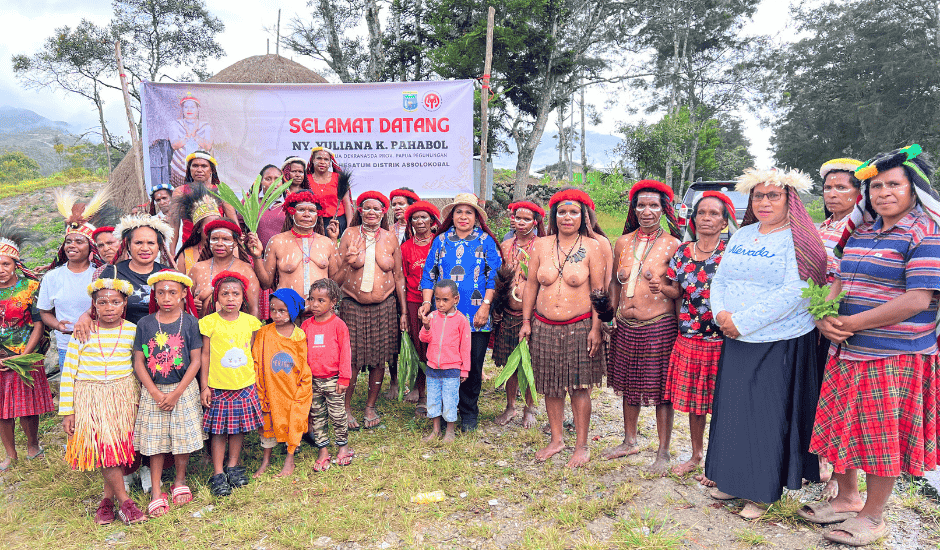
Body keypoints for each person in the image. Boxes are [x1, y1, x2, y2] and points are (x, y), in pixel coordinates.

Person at [804, 145, 940, 546]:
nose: (884, 193)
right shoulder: (862, 230)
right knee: (842, 424)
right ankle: (847, 498)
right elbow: (839, 279)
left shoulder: (926, 232)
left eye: (894, 185)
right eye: (877, 186)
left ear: (914, 189)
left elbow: (918, 299)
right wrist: (823, 315)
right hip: (847, 348)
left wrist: (852, 323)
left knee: (882, 435)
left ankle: (873, 515)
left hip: (894, 354)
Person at [705, 167, 827, 520]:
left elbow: (797, 290)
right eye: (758, 195)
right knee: (733, 411)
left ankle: (759, 493)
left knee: (765, 417)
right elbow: (720, 279)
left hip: (778, 340)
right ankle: (730, 479)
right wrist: (721, 314)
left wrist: (743, 321)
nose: (764, 202)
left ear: (791, 200)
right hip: (736, 338)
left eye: (773, 195)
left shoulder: (799, 239)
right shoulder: (743, 235)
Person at [518, 189, 606, 467]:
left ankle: (582, 445)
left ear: (584, 216)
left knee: (579, 387)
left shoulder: (592, 247)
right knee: (551, 386)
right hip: (543, 326)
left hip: (580, 326)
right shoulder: (541, 245)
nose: (567, 217)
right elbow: (531, 286)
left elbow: (599, 292)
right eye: (562, 212)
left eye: (574, 212)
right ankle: (557, 439)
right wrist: (526, 322)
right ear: (554, 216)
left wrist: (596, 328)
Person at [603, 179, 682, 474]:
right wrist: (609, 315)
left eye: (653, 205)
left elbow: (679, 291)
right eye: (641, 205)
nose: (646, 211)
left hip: (659, 325)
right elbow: (615, 283)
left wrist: (663, 289)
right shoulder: (623, 242)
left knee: (662, 389)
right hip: (625, 324)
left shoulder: (674, 244)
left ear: (663, 210)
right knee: (627, 384)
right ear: (633, 209)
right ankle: (629, 441)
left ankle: (663, 452)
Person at [60, 278, 147, 525]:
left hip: (123, 397)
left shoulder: (132, 330)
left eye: (115, 302)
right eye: (102, 302)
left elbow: (139, 365)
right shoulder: (83, 331)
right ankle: (125, 503)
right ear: (94, 305)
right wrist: (68, 411)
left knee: (116, 449)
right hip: (91, 397)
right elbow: (69, 372)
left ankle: (106, 501)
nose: (109, 307)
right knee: (105, 449)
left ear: (125, 303)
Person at [659, 192, 733, 477]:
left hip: (724, 339)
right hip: (690, 337)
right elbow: (676, 291)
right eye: (701, 213)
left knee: (723, 403)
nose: (706, 218)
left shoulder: (731, 252)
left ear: (724, 222)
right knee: (696, 403)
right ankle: (696, 455)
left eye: (714, 214)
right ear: (693, 219)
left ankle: (719, 461)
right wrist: (660, 287)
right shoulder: (683, 252)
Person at [420, 193, 503, 432]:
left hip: (476, 314)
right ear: (452, 215)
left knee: (472, 364)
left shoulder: (485, 241)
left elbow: (494, 277)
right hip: (444, 316)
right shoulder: (441, 241)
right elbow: (429, 274)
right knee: (446, 362)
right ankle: (446, 411)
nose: (463, 216)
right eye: (459, 212)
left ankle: (468, 413)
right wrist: (427, 303)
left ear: (476, 217)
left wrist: (485, 306)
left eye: (469, 212)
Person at [813, 157, 864, 500]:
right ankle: (818, 460)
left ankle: (838, 474)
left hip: (844, 321)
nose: (832, 193)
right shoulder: (820, 228)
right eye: (828, 187)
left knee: (841, 399)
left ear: (859, 193)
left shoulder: (862, 229)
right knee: (817, 392)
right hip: (814, 318)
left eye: (841, 187)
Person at [132, 270, 203, 517]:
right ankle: (156, 490)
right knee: (155, 441)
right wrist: (153, 392)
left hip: (183, 389)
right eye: (161, 292)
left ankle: (180, 480)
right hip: (154, 391)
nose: (167, 297)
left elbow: (196, 361)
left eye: (173, 292)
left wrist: (176, 393)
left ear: (183, 294)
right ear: (154, 294)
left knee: (182, 437)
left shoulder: (191, 322)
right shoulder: (145, 324)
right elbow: (139, 361)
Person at [333, 191, 407, 430]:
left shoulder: (390, 238)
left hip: (384, 305)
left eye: (377, 208)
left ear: (383, 212)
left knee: (379, 359)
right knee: (351, 360)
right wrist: (348, 260)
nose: (372, 212)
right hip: (352, 305)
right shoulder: (349, 234)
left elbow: (398, 277)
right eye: (367, 208)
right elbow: (337, 278)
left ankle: (370, 407)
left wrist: (404, 312)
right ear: (360, 211)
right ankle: (346, 408)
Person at [199, 271, 263, 496]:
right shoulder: (209, 322)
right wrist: (204, 386)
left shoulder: (250, 322)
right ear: (217, 297)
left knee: (238, 428)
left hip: (244, 384)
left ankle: (233, 466)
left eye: (236, 294)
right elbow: (205, 355)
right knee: (218, 431)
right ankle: (218, 472)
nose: (230, 298)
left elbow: (251, 350)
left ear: (243, 297)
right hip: (218, 385)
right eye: (225, 294)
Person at [39, 189, 109, 375]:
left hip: (100, 345)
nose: (72, 245)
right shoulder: (52, 277)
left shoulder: (101, 275)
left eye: (79, 241)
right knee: (71, 391)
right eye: (68, 241)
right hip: (67, 347)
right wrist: (57, 325)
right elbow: (45, 311)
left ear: (91, 247)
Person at [0, 220, 51, 470]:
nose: (1, 270)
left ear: (15, 265)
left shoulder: (30, 287)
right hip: (0, 359)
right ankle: (10, 454)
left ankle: (33, 445)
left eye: (5, 264)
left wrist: (24, 356)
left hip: (26, 355)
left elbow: (39, 325)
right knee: (2, 409)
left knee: (28, 406)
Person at [493, 200, 545, 428]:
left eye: (527, 219)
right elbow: (499, 278)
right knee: (510, 362)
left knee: (530, 363)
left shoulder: (543, 246)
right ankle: (510, 406)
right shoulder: (506, 246)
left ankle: (530, 407)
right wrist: (497, 307)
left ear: (535, 222)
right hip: (508, 311)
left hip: (534, 314)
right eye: (517, 218)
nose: (521, 222)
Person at [252, 287, 312, 478]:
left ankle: (289, 458)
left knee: (293, 420)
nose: (276, 315)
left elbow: (302, 364)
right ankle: (266, 460)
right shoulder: (264, 333)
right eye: (273, 310)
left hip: (292, 390)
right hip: (270, 389)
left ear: (292, 311)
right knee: (267, 422)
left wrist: (301, 388)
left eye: (282, 311)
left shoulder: (298, 336)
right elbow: (257, 360)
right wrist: (259, 387)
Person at [301, 278, 354, 470]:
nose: (314, 304)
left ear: (333, 302)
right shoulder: (306, 326)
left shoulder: (339, 325)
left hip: (334, 380)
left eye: (320, 300)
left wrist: (344, 378)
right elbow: (301, 353)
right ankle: (322, 450)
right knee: (317, 416)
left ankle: (343, 447)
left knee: (338, 415)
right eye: (312, 299)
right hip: (312, 381)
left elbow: (345, 352)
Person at [247, 190, 340, 300]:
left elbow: (336, 282)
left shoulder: (327, 243)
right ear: (291, 213)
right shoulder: (277, 242)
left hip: (319, 308)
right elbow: (266, 284)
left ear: (317, 214)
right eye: (301, 210)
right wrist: (257, 257)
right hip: (286, 307)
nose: (306, 215)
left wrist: (347, 262)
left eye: (311, 211)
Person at [400, 201, 441, 412]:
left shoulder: (440, 242)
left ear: (432, 220)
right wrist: (404, 312)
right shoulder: (405, 248)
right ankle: (423, 394)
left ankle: (440, 391)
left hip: (440, 303)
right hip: (415, 301)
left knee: (439, 345)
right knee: (420, 346)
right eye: (415, 218)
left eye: (424, 217)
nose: (419, 221)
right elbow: (402, 278)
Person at [420, 279, 471, 443]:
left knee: (450, 400)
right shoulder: (432, 317)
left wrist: (464, 370)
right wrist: (426, 327)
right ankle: (436, 430)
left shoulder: (461, 320)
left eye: (445, 300)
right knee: (433, 399)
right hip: (433, 368)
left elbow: (465, 348)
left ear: (456, 299)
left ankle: (450, 430)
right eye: (437, 299)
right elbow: (423, 338)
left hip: (452, 369)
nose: (440, 304)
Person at [188, 219, 260, 318]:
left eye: (226, 239)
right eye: (214, 238)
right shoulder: (197, 268)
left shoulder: (246, 270)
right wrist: (193, 305)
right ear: (209, 241)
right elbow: (185, 304)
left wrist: (254, 329)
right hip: (202, 327)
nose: (219, 243)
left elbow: (254, 309)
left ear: (235, 242)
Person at [169, 151, 236, 252]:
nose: (199, 170)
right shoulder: (180, 192)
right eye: (195, 166)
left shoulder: (222, 192)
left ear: (211, 170)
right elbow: (174, 224)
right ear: (189, 169)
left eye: (204, 166)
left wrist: (237, 250)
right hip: (189, 248)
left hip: (217, 249)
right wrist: (172, 253)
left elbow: (233, 224)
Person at [174, 184, 222, 275]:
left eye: (218, 224)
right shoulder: (186, 255)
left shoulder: (230, 250)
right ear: (198, 229)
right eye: (209, 225)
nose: (214, 229)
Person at [306, 147, 353, 235]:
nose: (322, 162)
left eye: (326, 159)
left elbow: (347, 203)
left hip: (338, 222)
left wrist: (349, 227)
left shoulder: (339, 178)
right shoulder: (306, 180)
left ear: (330, 163)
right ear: (312, 160)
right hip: (314, 224)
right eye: (319, 158)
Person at [170, 93, 213, 188]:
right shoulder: (176, 124)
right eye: (186, 107)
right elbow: (174, 145)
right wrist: (187, 135)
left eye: (192, 107)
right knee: (180, 194)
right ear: (182, 109)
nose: (189, 110)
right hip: (179, 169)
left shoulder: (205, 126)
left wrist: (195, 135)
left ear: (198, 109)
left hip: (201, 170)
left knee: (201, 194)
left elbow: (208, 146)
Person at [255, 164, 291, 248]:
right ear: (261, 181)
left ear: (282, 182)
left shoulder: (291, 203)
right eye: (268, 179)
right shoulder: (250, 202)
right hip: (254, 253)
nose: (273, 183)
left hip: (284, 253)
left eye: (277, 179)